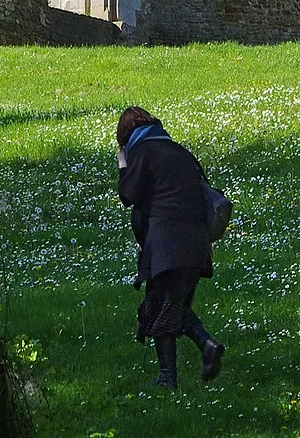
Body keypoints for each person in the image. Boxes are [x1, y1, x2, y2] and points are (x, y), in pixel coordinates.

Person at [115, 106, 224, 388]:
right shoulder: (180, 152)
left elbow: (128, 194)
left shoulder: (142, 152)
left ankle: (195, 354)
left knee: (162, 305)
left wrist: (123, 164)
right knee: (167, 305)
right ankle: (173, 373)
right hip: (196, 243)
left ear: (126, 136)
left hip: (166, 244)